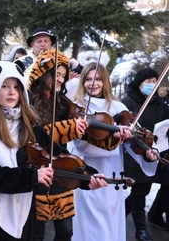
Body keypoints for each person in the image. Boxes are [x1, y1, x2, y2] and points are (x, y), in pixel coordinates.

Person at [0, 60, 106, 240]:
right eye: (4, 86)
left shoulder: (28, 123)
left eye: (16, 87)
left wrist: (88, 175)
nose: (11, 92)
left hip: (24, 212)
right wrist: (32, 177)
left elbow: (55, 153)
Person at [66, 62, 156, 241]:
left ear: (105, 82)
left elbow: (133, 144)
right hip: (87, 176)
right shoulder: (75, 108)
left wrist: (146, 152)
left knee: (108, 226)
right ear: (82, 81)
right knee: (88, 227)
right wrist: (108, 137)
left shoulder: (117, 107)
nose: (94, 84)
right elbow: (73, 144)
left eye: (98, 79)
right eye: (89, 79)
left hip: (112, 177)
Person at [27, 49, 89, 241]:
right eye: (57, 74)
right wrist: (68, 127)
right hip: (37, 166)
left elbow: (81, 132)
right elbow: (37, 133)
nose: (61, 79)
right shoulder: (28, 99)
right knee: (36, 232)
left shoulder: (62, 101)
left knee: (65, 232)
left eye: (64, 75)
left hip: (61, 167)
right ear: (44, 73)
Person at [121, 68, 169, 240]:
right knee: (140, 190)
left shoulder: (159, 103)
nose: (152, 84)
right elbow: (125, 124)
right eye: (148, 81)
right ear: (139, 83)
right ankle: (141, 231)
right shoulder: (129, 101)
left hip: (152, 151)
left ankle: (119, 214)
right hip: (134, 152)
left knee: (143, 190)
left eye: (154, 81)